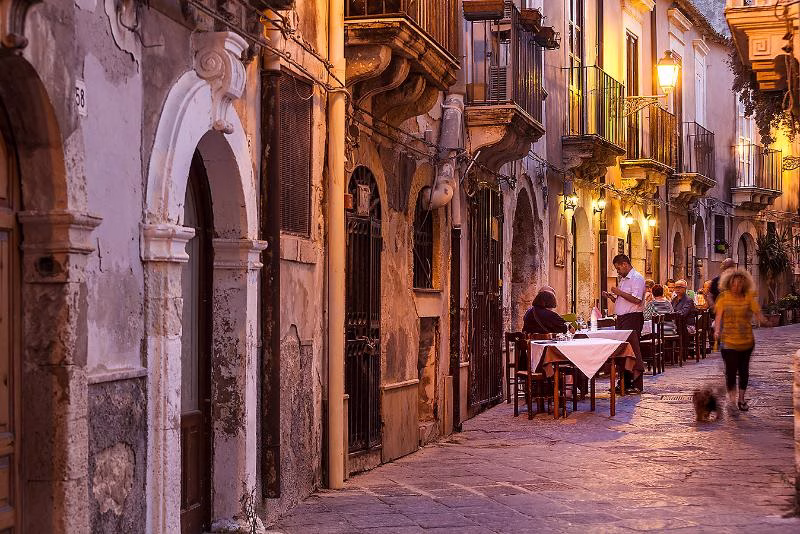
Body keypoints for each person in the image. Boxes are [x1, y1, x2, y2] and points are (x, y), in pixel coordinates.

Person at [714, 268, 765, 412]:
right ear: (729, 283)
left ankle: (741, 399)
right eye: (734, 284)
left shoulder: (748, 297)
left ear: (744, 284)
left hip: (746, 341)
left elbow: (757, 313)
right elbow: (719, 316)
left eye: (740, 284)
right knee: (730, 371)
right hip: (728, 340)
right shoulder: (723, 297)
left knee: (744, 370)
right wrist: (717, 330)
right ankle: (731, 398)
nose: (737, 287)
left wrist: (765, 321)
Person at [602, 254, 646, 392]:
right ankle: (623, 382)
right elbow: (624, 301)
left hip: (632, 318)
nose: (618, 271)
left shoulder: (636, 278)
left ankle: (633, 383)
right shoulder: (624, 279)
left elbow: (637, 300)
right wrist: (612, 297)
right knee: (622, 351)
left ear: (625, 264)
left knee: (631, 351)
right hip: (622, 319)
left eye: (618, 268)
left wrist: (619, 292)